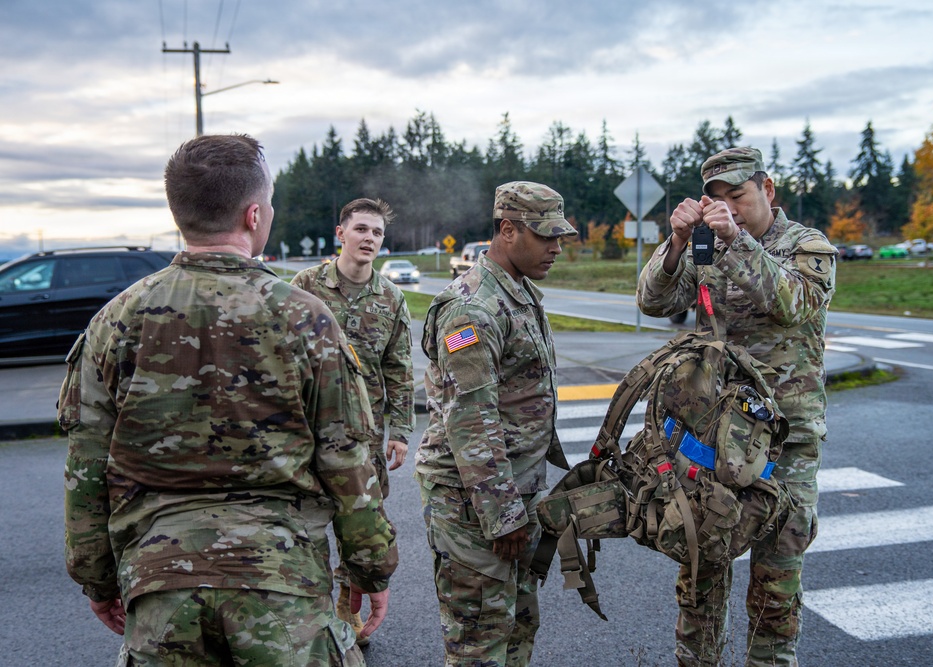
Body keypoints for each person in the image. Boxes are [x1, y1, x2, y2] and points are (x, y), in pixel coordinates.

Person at [59, 134, 398, 666]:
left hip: (161, 584)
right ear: (254, 214)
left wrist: (96, 580)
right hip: (281, 586)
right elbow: (347, 461)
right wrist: (370, 568)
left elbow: (86, 470)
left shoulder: (115, 320)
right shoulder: (305, 318)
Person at [636, 147, 837, 667]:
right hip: (713, 433)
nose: (726, 207)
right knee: (701, 564)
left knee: (777, 573)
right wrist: (677, 244)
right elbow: (654, 302)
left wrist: (735, 240)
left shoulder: (807, 246)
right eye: (715, 199)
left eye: (738, 196)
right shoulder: (706, 245)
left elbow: (792, 303)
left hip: (785, 437)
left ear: (767, 190)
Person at [414, 181, 577, 666]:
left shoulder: (518, 291)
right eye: (545, 236)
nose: (556, 248)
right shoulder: (474, 307)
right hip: (475, 505)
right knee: (480, 642)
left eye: (561, 237)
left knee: (518, 626)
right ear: (507, 230)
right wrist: (503, 515)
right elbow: (471, 418)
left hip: (512, 492)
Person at [291, 197, 414, 643]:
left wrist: (400, 431)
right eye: (361, 229)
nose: (369, 239)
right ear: (340, 233)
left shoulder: (391, 297)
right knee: (305, 523)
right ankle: (307, 610)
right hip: (309, 433)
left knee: (361, 528)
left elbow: (400, 369)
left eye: (377, 233)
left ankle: (349, 611)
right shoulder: (305, 285)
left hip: (365, 436)